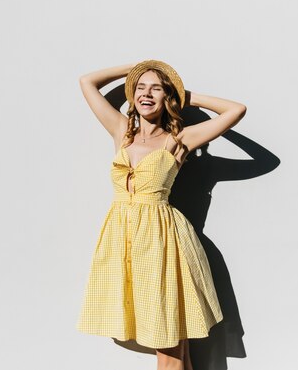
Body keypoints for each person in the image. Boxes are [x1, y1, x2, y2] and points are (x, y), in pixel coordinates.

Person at [76, 60, 247, 370]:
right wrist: (134, 68)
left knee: (168, 348)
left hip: (162, 244)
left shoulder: (180, 140)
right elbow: (87, 82)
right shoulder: (121, 132)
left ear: (167, 97)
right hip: (123, 244)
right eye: (140, 88)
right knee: (176, 353)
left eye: (155, 88)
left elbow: (236, 110)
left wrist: (186, 95)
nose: (146, 94)